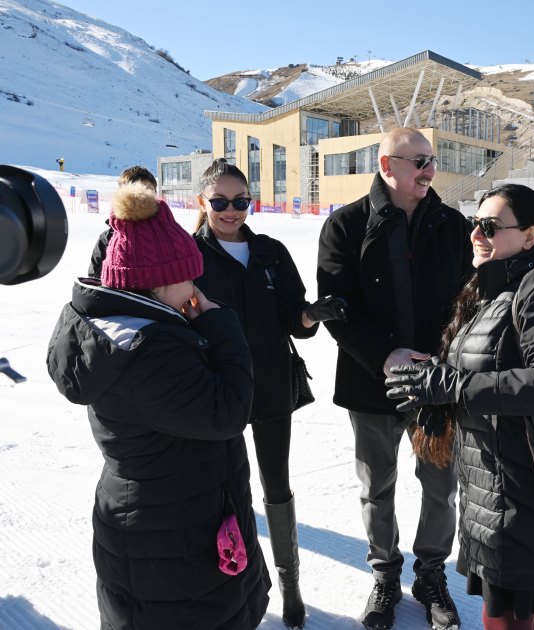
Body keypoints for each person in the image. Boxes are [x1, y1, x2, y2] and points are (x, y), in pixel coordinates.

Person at [46, 182, 270, 630]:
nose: (194, 286)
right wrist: (221, 325)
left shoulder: (133, 328)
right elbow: (228, 411)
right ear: (163, 281)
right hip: (170, 546)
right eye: (189, 275)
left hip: (172, 522)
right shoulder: (147, 350)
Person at [384, 184, 534, 630]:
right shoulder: (496, 285)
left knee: (506, 619)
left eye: (490, 226)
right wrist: (435, 393)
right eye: (473, 224)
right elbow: (489, 364)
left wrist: (453, 386)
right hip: (493, 487)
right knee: (513, 618)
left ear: (531, 235)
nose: (476, 234)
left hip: (528, 495)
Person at [317, 127, 473, 630]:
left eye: (432, 159)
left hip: (437, 383)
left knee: (440, 486)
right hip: (372, 382)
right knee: (376, 487)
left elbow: (475, 298)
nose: (429, 169)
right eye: (418, 161)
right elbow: (336, 310)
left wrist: (452, 362)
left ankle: (430, 575)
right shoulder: (345, 225)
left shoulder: (453, 225)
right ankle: (385, 574)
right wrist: (384, 355)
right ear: (388, 166)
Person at [191, 158, 348, 630]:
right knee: (220, 493)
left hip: (272, 388)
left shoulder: (271, 252)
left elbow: (293, 322)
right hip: (215, 392)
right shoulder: (189, 255)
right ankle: (236, 585)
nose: (231, 211)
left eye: (241, 201)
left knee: (275, 488)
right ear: (203, 202)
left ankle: (291, 585)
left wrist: (312, 315)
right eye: (219, 202)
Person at [87, 166, 158, 278]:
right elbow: (95, 279)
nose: (142, 197)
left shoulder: (167, 233)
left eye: (148, 190)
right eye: (134, 191)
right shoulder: (107, 238)